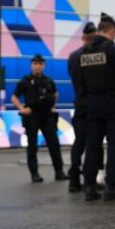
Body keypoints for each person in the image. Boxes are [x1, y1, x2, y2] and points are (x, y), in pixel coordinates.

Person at [73, 14, 115, 201]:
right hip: (113, 105)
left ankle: (90, 187)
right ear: (111, 31)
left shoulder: (83, 53)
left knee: (92, 147)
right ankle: (111, 187)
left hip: (91, 106)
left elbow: (78, 80)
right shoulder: (113, 50)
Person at [13, 54, 68, 183]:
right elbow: (14, 98)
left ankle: (59, 172)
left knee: (54, 144)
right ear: (32, 65)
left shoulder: (48, 80)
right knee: (32, 146)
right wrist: (22, 109)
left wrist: (52, 107)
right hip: (32, 117)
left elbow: (55, 94)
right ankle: (34, 173)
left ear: (44, 65)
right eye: (36, 64)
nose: (38, 66)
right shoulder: (25, 80)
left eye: (41, 64)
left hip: (47, 116)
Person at [66, 21, 97, 192]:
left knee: (79, 142)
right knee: (93, 143)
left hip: (79, 103)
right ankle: (89, 180)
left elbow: (71, 74)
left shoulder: (73, 56)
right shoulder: (96, 54)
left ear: (82, 37)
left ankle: (74, 178)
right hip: (93, 104)